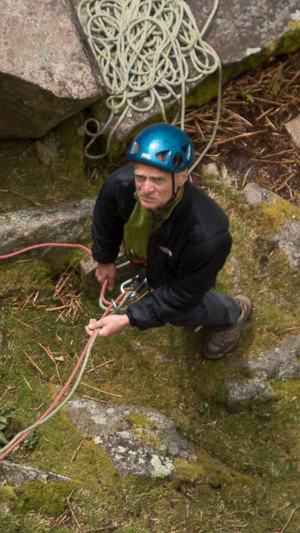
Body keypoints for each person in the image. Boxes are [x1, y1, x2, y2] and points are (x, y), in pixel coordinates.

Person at [83, 124, 253, 359]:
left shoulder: (207, 236)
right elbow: (106, 219)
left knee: (181, 312)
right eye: (140, 177)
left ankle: (235, 313)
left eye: (158, 180)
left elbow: (183, 295)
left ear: (183, 177)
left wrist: (127, 319)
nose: (146, 188)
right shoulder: (119, 185)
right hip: (149, 259)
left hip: (177, 272)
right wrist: (104, 258)